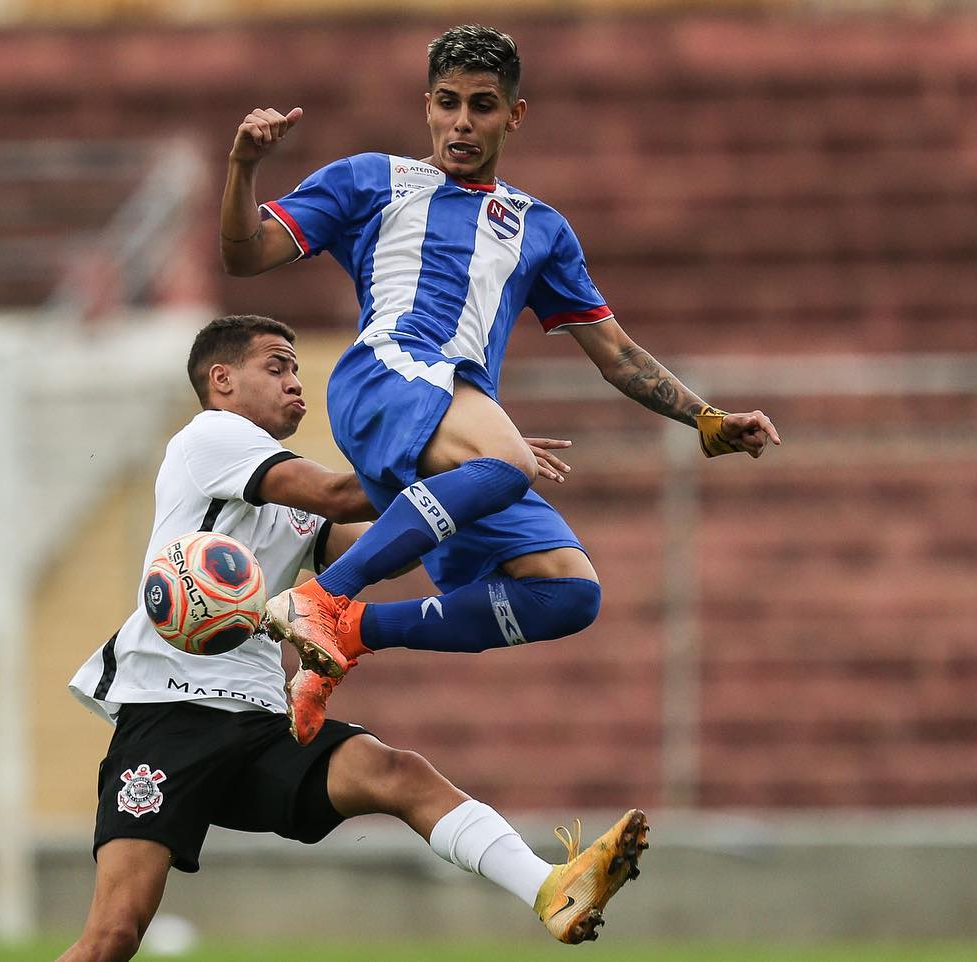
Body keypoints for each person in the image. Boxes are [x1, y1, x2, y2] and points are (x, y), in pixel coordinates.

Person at [219, 24, 782, 737]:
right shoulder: (371, 180)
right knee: (509, 460)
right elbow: (245, 256)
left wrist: (707, 420)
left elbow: (617, 353)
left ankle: (353, 631)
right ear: (426, 104)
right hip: (386, 374)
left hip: (446, 419)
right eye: (447, 102)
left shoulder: (539, 226)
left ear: (514, 114)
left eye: (481, 105)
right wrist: (243, 167)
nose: (461, 122)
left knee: (568, 592)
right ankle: (324, 597)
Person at [61, 315, 647, 960]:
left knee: (397, 774)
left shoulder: (279, 491)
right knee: (111, 939)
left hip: (258, 718)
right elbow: (342, 495)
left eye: (296, 370)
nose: (295, 385)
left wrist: (472, 494)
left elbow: (381, 551)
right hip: (171, 714)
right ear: (221, 380)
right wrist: (473, 466)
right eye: (277, 367)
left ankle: (552, 888)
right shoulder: (211, 438)